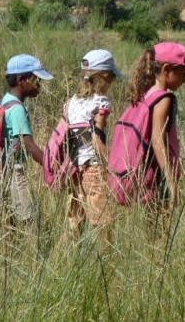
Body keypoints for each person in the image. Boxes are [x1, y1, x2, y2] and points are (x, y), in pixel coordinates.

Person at [126, 42, 185, 211]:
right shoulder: (163, 98)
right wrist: (171, 182)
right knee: (161, 233)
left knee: (150, 231)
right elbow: (158, 140)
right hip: (159, 176)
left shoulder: (146, 94)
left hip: (146, 173)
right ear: (166, 69)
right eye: (182, 74)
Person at [64, 50, 122, 244]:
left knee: (75, 220)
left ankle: (66, 259)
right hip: (94, 166)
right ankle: (107, 263)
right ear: (102, 77)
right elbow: (97, 138)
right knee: (103, 222)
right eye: (110, 78)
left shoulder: (72, 101)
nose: (111, 84)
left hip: (74, 167)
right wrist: (112, 168)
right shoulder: (100, 102)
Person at [0, 54, 53, 225]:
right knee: (28, 220)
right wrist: (53, 167)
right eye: (36, 79)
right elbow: (30, 147)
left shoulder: (3, 101)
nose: (40, 85)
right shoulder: (16, 108)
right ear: (21, 80)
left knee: (7, 220)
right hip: (12, 171)